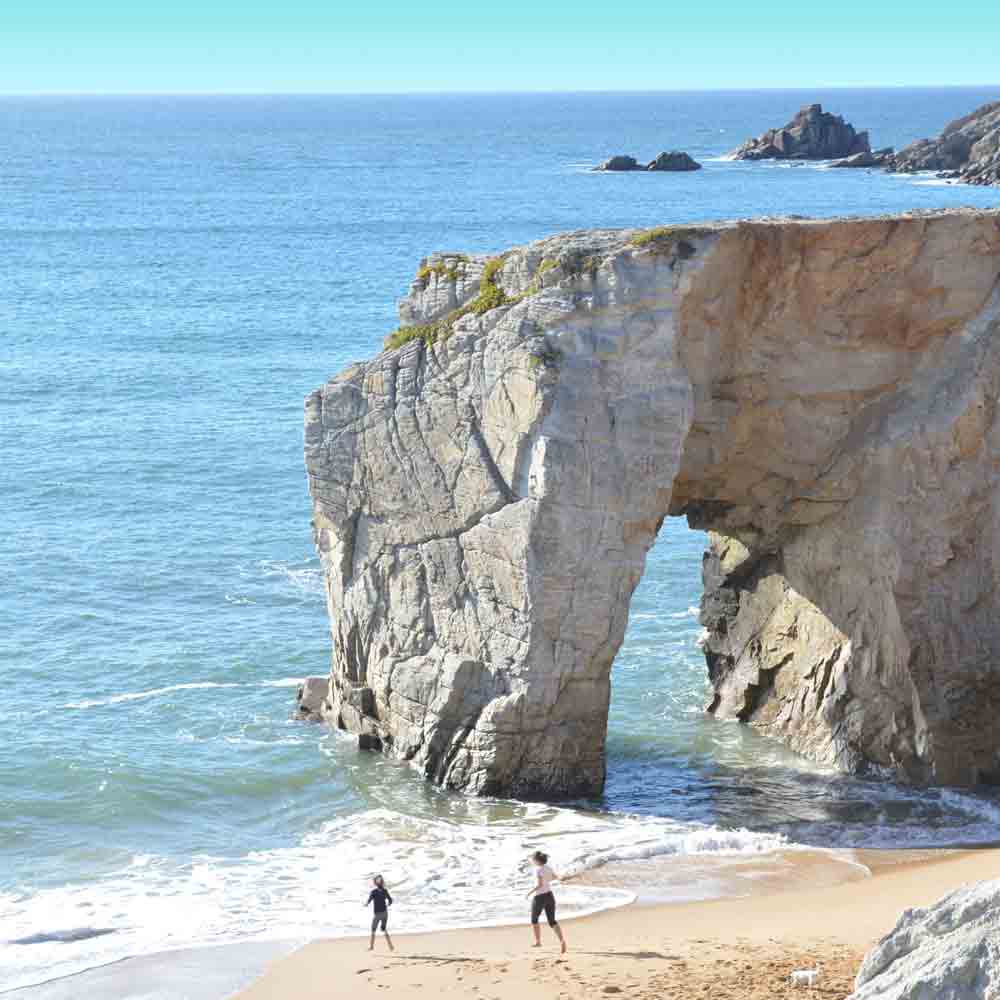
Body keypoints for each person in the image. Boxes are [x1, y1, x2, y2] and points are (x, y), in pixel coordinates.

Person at [526, 850, 567, 953]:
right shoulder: (548, 868)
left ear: (536, 860)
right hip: (549, 896)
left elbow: (539, 885)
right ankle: (562, 941)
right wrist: (561, 878)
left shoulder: (538, 870)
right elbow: (555, 877)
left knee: (534, 919)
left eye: (532, 859)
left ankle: (538, 941)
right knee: (552, 921)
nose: (532, 860)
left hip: (539, 897)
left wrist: (529, 892)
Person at [365, 874, 394, 951]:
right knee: (383, 929)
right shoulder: (385, 891)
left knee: (373, 930)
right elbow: (390, 900)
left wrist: (366, 903)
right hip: (385, 913)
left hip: (377, 914)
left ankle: (371, 947)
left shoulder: (373, 892)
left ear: (375, 883)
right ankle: (390, 946)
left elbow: (369, 899)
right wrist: (388, 904)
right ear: (382, 883)